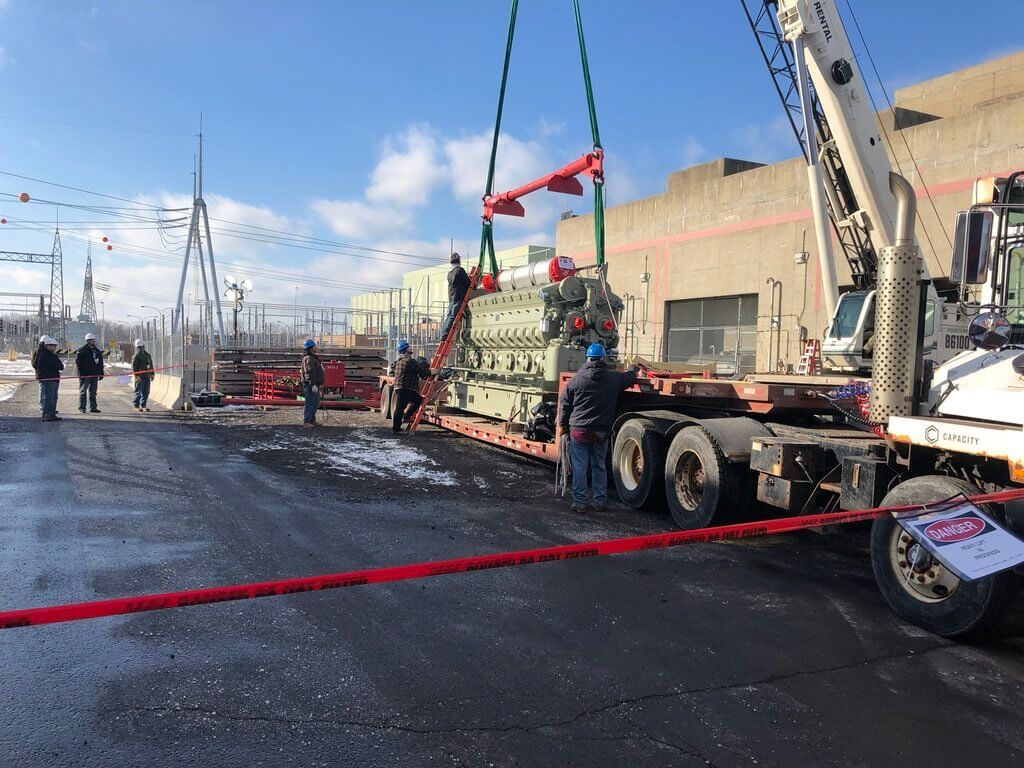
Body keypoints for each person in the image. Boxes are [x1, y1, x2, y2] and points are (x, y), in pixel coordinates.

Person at [557, 343, 639, 513]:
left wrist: (563, 426)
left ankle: (579, 502)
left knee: (579, 467)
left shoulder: (576, 380)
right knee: (599, 466)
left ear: (587, 358)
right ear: (603, 358)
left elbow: (564, 404)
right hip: (600, 431)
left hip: (578, 430)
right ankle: (599, 501)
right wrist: (633, 368)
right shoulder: (613, 378)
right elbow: (630, 377)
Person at [391, 340, 430, 434]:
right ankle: (396, 429)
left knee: (418, 400)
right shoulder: (410, 361)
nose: (411, 348)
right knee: (400, 408)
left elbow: (393, 366)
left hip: (403, 387)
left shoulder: (400, 360)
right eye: (409, 347)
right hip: (405, 388)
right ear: (405, 350)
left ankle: (407, 417)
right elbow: (423, 374)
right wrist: (432, 371)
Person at [438, 252, 471, 341]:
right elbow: (467, 283)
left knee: (450, 315)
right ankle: (444, 335)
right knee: (452, 316)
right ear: (459, 260)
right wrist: (475, 286)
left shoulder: (450, 272)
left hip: (452, 297)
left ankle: (443, 334)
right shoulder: (459, 270)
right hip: (458, 296)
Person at [32, 335, 63, 422]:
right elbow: (57, 365)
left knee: (53, 397)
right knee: (49, 397)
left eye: (55, 346)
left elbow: (61, 366)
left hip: (53, 378)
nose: (55, 347)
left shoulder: (51, 354)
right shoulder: (43, 355)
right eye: (53, 346)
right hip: (48, 378)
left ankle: (52, 414)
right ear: (47, 345)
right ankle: (46, 414)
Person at [75, 333, 105, 413]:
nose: (94, 341)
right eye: (92, 340)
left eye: (94, 340)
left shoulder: (97, 351)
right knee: (83, 391)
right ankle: (82, 407)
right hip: (85, 375)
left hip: (94, 375)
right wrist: (81, 374)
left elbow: (100, 363)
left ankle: (93, 407)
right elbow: (78, 363)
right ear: (88, 341)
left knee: (93, 392)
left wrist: (101, 373)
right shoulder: (82, 350)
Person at [299, 338, 324, 427]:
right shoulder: (309, 359)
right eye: (314, 346)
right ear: (311, 347)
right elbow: (309, 372)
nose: (316, 347)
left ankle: (312, 420)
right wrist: (312, 384)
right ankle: (307, 421)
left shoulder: (313, 357)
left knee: (316, 402)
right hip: (310, 384)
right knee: (309, 402)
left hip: (315, 384)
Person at [132, 339, 154, 412]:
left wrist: (152, 374)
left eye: (142, 346)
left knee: (146, 391)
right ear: (138, 347)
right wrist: (136, 376)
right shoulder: (136, 356)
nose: (142, 347)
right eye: (140, 346)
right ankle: (136, 405)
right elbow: (134, 367)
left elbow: (151, 365)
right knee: (138, 391)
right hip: (140, 376)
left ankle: (143, 405)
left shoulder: (148, 355)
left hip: (147, 376)